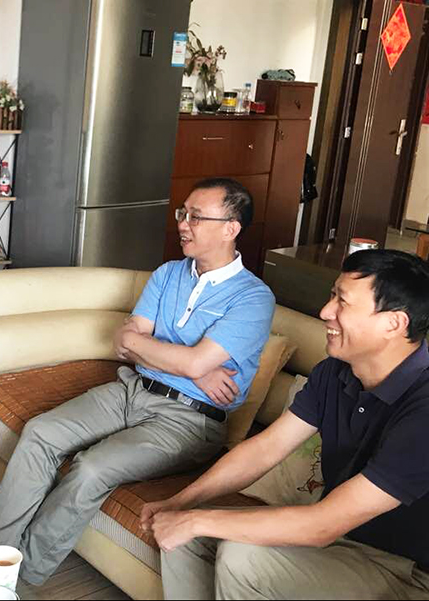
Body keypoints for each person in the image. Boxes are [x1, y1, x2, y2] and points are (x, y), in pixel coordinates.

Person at [0, 178, 276, 584]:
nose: (182, 224)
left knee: (91, 468)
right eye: (183, 213)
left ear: (231, 228)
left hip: (189, 421)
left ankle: (19, 577)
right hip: (132, 389)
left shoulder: (253, 298)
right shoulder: (169, 274)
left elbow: (174, 354)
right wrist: (189, 366)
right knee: (40, 433)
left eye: (196, 217)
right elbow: (124, 340)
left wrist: (180, 359)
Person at [143, 249, 429, 600]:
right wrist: (181, 503)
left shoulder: (423, 408)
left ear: (394, 324)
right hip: (343, 545)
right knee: (185, 533)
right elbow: (266, 449)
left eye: (342, 301)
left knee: (241, 555)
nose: (325, 312)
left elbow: (325, 524)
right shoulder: (335, 371)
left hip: (404, 570)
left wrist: (195, 520)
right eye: (331, 295)